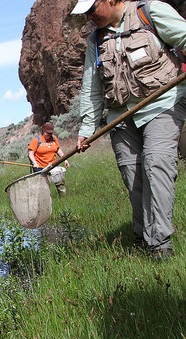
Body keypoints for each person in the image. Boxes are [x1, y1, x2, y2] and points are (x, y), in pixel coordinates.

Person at [71, 0, 186, 259]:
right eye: (85, 13)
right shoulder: (96, 40)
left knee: (156, 165)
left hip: (163, 105)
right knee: (132, 175)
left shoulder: (150, 12)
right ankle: (141, 236)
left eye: (92, 10)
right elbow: (92, 88)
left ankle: (159, 246)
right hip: (121, 118)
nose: (89, 17)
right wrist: (87, 128)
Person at [27, 122, 70, 196]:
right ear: (44, 131)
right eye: (48, 133)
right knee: (43, 187)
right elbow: (31, 153)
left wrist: (65, 159)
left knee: (60, 183)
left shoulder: (54, 138)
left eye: (51, 133)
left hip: (54, 165)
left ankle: (64, 198)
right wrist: (34, 163)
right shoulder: (36, 140)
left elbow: (58, 150)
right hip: (40, 167)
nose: (50, 135)